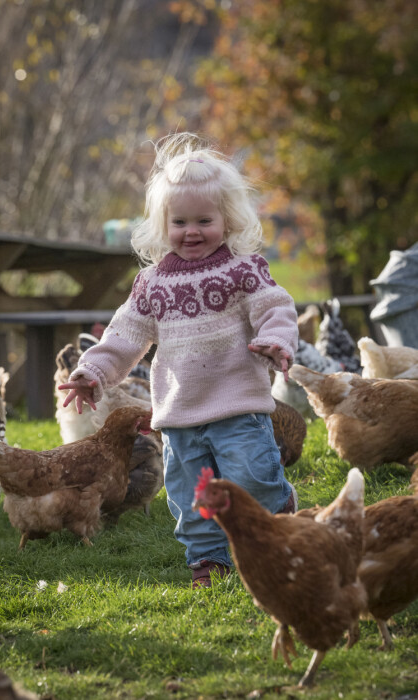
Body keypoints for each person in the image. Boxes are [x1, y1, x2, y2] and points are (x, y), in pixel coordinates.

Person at [59, 132, 299, 589]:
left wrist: (274, 338)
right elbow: (125, 334)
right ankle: (208, 561)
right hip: (180, 416)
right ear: (162, 224)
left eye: (204, 220)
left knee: (252, 477)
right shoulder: (152, 284)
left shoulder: (243, 269)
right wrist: (93, 370)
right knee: (191, 497)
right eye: (180, 222)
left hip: (239, 409)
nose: (192, 232)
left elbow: (276, 307)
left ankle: (278, 525)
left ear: (227, 221)